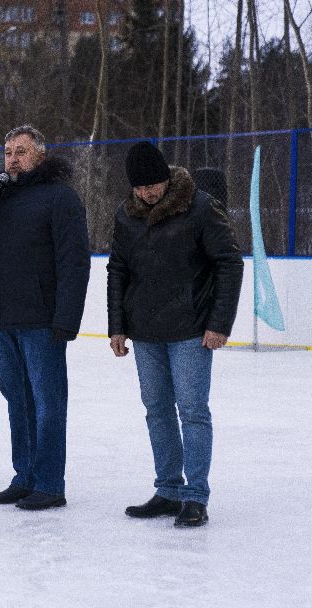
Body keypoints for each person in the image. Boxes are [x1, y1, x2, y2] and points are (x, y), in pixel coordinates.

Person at [107, 142, 243, 528]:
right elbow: (118, 269)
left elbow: (229, 263)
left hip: (191, 330)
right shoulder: (126, 214)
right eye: (140, 187)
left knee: (193, 411)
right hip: (145, 331)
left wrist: (219, 323)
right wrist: (117, 325)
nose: (148, 193)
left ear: (167, 178)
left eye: (154, 185)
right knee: (157, 410)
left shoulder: (199, 206)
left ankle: (195, 496)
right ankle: (168, 490)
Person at [0, 125, 90, 510]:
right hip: (3, 317)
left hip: (42, 320)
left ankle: (49, 483)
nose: (13, 159)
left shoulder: (60, 198)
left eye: (21, 151)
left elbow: (74, 262)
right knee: (17, 399)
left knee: (47, 402)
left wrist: (67, 318)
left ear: (40, 156)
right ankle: (24, 477)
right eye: (8, 152)